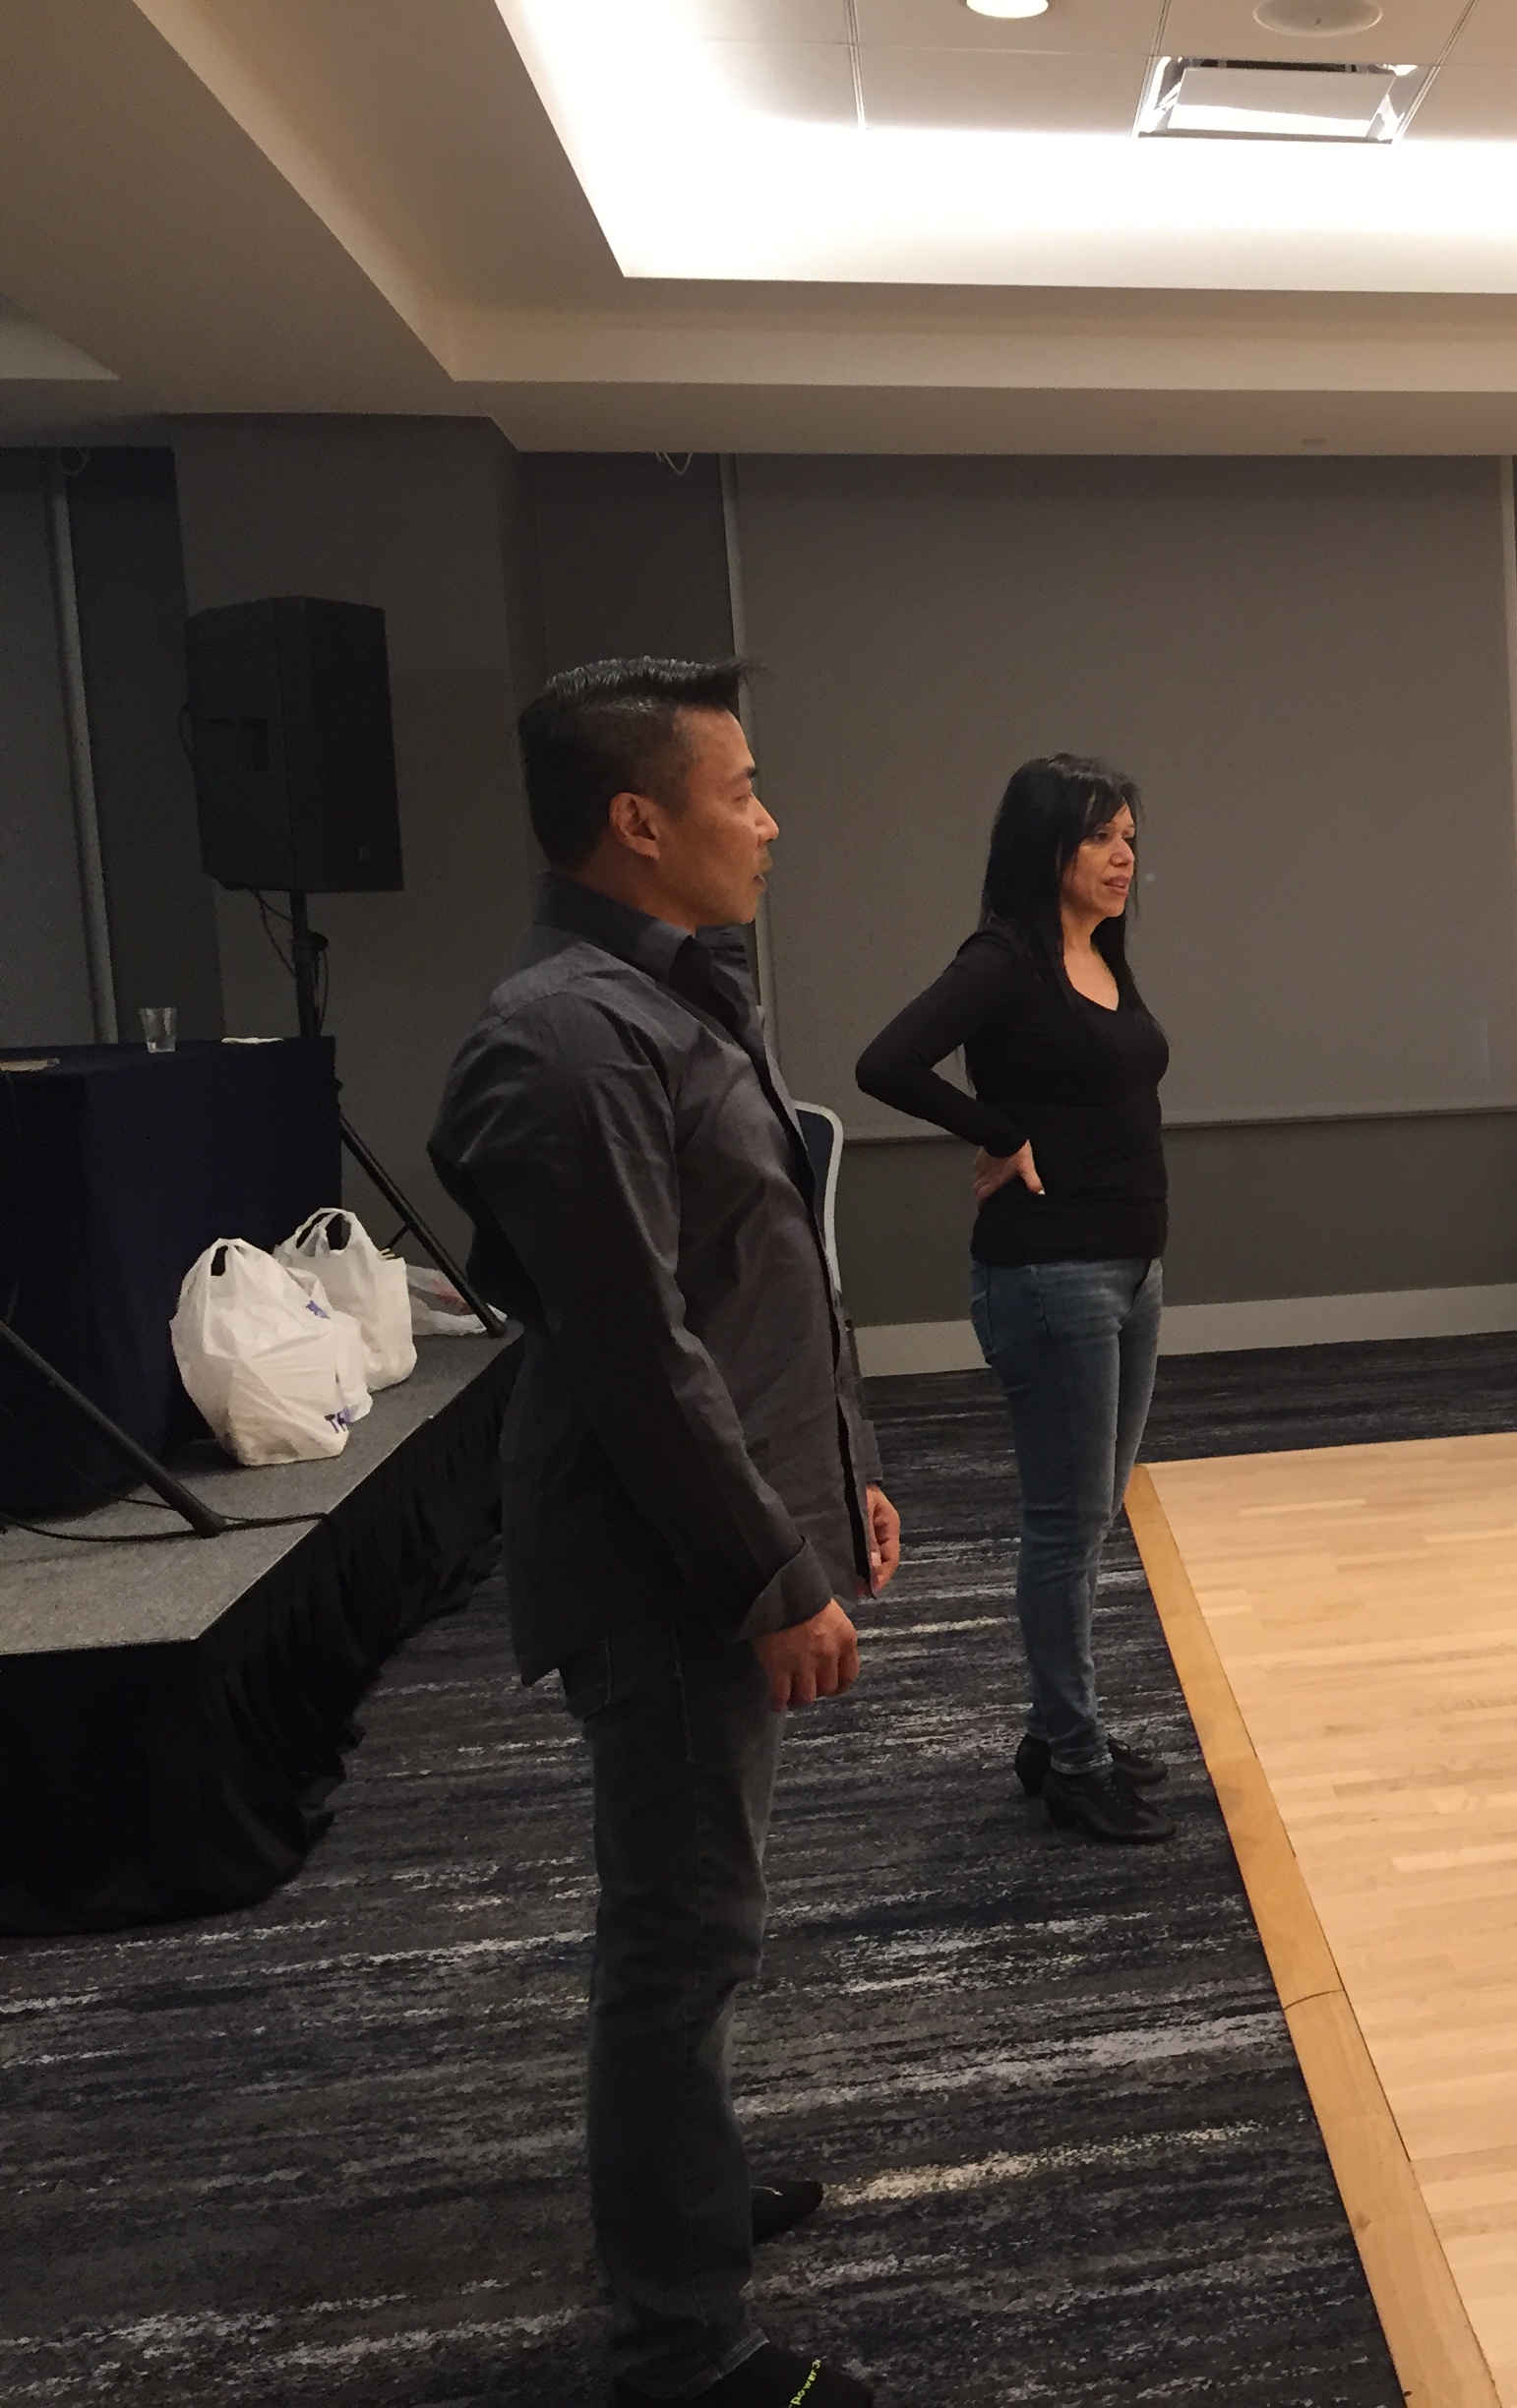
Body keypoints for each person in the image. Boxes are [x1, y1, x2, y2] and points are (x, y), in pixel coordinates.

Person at [431, 658, 893, 2408]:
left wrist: (841, 1465)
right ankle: (681, 2345)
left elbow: (757, 1272)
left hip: (721, 1526)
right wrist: (770, 1571)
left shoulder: (673, 994)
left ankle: (685, 2187)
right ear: (638, 820)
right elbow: (637, 1355)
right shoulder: (563, 1038)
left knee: (705, 1924)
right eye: (741, 790)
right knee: (678, 1941)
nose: (771, 822)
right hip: (665, 1570)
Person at [856, 757, 1173, 1846]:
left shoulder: (1101, 953)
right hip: (1050, 1276)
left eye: (1130, 836)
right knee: (1063, 1525)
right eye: (1101, 838)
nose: (1124, 857)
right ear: (1047, 848)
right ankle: (1074, 1761)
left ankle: (1056, 1732)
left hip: (1130, 1269)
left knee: (1092, 1518)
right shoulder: (1004, 958)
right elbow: (887, 1062)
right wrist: (998, 1131)